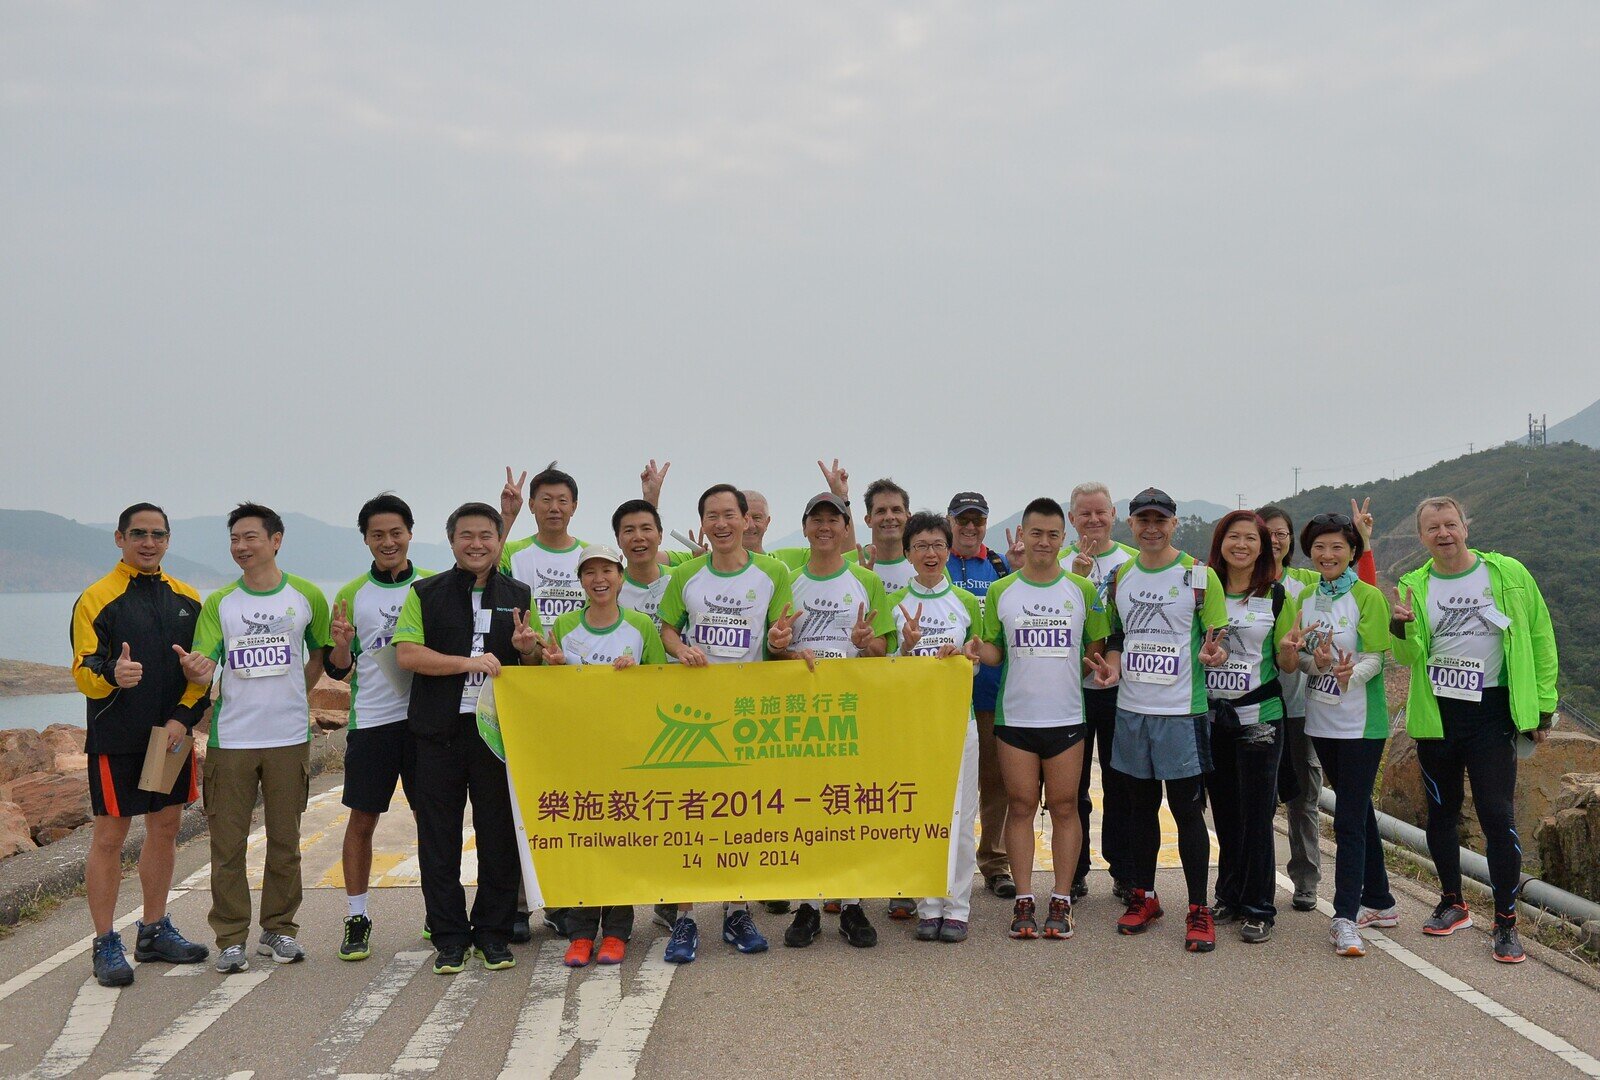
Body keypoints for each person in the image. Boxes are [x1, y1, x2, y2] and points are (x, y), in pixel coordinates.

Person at [1391, 496, 1559, 964]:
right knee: (1441, 812)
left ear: (1465, 527)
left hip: (1492, 711)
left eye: (1450, 524)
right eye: (1432, 528)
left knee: (1496, 814)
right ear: (1421, 536)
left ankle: (1506, 921)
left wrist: (1543, 708)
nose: (1443, 533)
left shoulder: (1506, 573)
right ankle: (1453, 902)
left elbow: (1541, 636)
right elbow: (1406, 658)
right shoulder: (1414, 585)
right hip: (1439, 712)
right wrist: (1399, 628)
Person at [178, 504, 330, 974]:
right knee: (228, 846)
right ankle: (230, 937)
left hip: (288, 739)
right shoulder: (221, 603)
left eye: (251, 538)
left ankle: (279, 930)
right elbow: (202, 660)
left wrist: (296, 693)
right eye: (235, 540)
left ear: (276, 540)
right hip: (232, 740)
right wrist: (195, 669)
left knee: (286, 842)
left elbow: (323, 651)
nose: (241, 547)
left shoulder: (306, 595)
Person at [394, 502, 540, 975]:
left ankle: (494, 934)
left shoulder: (519, 593)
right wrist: (467, 663)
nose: (476, 544)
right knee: (438, 838)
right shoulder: (426, 592)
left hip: (495, 734)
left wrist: (526, 652)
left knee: (498, 836)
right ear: (451, 540)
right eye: (466, 536)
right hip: (438, 731)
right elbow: (409, 656)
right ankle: (450, 937)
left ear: (499, 542)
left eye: (486, 536)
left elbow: (531, 663)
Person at [656, 483, 798, 962]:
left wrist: (780, 640)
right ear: (703, 524)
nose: (721, 524)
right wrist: (680, 649)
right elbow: (667, 628)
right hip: (694, 710)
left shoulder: (774, 572)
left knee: (744, 813)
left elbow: (780, 637)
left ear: (746, 521)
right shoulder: (687, 574)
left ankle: (738, 912)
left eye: (729, 515)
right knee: (689, 813)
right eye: (711, 516)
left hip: (748, 714)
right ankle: (686, 918)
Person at [71, 503, 211, 987]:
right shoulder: (96, 598)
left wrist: (181, 718)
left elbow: (202, 673)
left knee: (166, 828)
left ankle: (153, 931)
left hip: (169, 737)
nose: (148, 542)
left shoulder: (188, 599)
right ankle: (105, 941)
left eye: (157, 534)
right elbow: (82, 669)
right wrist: (114, 673)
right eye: (138, 534)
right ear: (119, 538)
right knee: (110, 838)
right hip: (117, 738)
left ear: (168, 540)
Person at [976, 498, 1112, 941]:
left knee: (1066, 807)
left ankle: (1061, 898)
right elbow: (995, 650)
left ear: (1064, 538)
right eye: (1037, 533)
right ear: (1023, 533)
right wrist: (978, 650)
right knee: (1020, 807)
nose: (1045, 542)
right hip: (1014, 717)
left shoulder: (1083, 590)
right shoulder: (1003, 590)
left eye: (1054, 535)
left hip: (1068, 718)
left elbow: (1097, 646)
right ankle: (1024, 900)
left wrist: (1105, 664)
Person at [1103, 488, 1229, 953]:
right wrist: (1112, 666)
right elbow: (1118, 636)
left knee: (1186, 812)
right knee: (1138, 810)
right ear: (1131, 524)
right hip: (1132, 710)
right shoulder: (1122, 575)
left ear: (1175, 523)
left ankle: (1199, 907)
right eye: (1142, 520)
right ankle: (1145, 895)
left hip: (1181, 712)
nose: (1151, 528)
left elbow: (1219, 637)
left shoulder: (1199, 575)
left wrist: (1216, 653)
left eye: (1160, 520)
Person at [540, 544, 669, 967]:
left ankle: (616, 932)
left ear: (620, 576)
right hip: (577, 750)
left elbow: (660, 685)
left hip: (627, 750)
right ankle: (580, 933)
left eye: (607, 571)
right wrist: (556, 666)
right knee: (583, 839)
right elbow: (550, 691)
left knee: (620, 840)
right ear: (580, 580)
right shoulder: (563, 625)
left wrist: (638, 676)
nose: (599, 579)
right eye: (590, 572)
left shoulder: (639, 626)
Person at [779, 493, 895, 949]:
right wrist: (788, 649)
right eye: (817, 519)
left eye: (834, 519)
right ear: (805, 527)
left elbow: (883, 650)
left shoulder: (866, 581)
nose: (825, 526)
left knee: (847, 803)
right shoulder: (786, 581)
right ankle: (807, 905)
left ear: (847, 528)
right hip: (800, 713)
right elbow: (775, 648)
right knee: (805, 803)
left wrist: (865, 642)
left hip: (850, 710)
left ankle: (850, 905)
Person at [325, 493, 432, 961]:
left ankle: (440, 911)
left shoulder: (432, 586)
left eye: (395, 533)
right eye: (377, 535)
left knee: (434, 820)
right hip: (371, 722)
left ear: (410, 533)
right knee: (363, 820)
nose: (388, 542)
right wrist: (342, 645)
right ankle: (356, 915)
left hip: (427, 720)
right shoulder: (351, 593)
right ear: (365, 540)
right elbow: (338, 669)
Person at [1259, 499, 1379, 912]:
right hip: (1264, 707)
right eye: (1266, 532)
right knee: (1260, 802)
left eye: (1281, 533)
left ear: (1292, 541)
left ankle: (1310, 884)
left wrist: (1364, 540)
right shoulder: (1240, 582)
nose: (1273, 540)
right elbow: (1288, 655)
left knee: (1306, 802)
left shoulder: (1307, 582)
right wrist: (1301, 658)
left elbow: (1359, 587)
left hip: (1308, 712)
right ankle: (1252, 885)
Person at [1285, 512, 1393, 958]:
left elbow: (1378, 657)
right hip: (1321, 722)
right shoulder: (1306, 598)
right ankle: (1382, 902)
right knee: (1358, 809)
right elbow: (1307, 661)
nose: (1327, 555)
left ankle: (1345, 917)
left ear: (1352, 551)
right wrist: (1322, 665)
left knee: (1347, 819)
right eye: (1319, 547)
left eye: (1337, 547)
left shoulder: (1367, 596)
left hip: (1361, 725)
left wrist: (1350, 674)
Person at [1202, 511, 1296, 944]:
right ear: (1220, 542)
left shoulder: (1276, 596)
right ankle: (1229, 894)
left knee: (1257, 815)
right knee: (1224, 812)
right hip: (1213, 714)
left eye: (1251, 539)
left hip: (1260, 715)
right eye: (1233, 537)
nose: (1241, 545)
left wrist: (1296, 651)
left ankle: (1260, 906)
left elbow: (1286, 659)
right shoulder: (1203, 589)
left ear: (1264, 547)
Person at [890, 513, 984, 943]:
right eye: (921, 546)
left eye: (937, 545)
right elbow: (887, 670)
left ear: (949, 549)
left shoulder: (965, 602)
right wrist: (907, 647)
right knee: (922, 815)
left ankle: (957, 907)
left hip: (958, 723)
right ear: (908, 553)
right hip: (913, 726)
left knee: (960, 819)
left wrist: (966, 656)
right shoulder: (895, 603)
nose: (930, 553)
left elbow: (977, 659)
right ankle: (927, 904)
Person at [1061, 482, 1137, 899]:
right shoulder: (1057, 562)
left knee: (1119, 782)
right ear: (1071, 519)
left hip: (1117, 689)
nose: (1092, 520)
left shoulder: (1132, 563)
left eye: (1100, 512)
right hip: (1068, 691)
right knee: (1071, 787)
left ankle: (1124, 872)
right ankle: (1073, 871)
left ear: (1113, 514)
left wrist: (1114, 657)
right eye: (1083, 514)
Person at [944, 491, 1016, 899]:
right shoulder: (935, 558)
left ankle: (995, 862)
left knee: (996, 784)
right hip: (942, 697)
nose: (970, 527)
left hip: (990, 690)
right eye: (962, 520)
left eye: (977, 520)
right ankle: (938, 859)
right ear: (949, 521)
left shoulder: (998, 565)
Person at [500, 462, 587, 627]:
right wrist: (507, 515)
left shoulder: (590, 555)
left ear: (573, 507)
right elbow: (483, 573)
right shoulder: (510, 552)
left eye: (562, 501)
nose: (554, 508)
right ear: (532, 505)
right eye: (546, 500)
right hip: (526, 651)